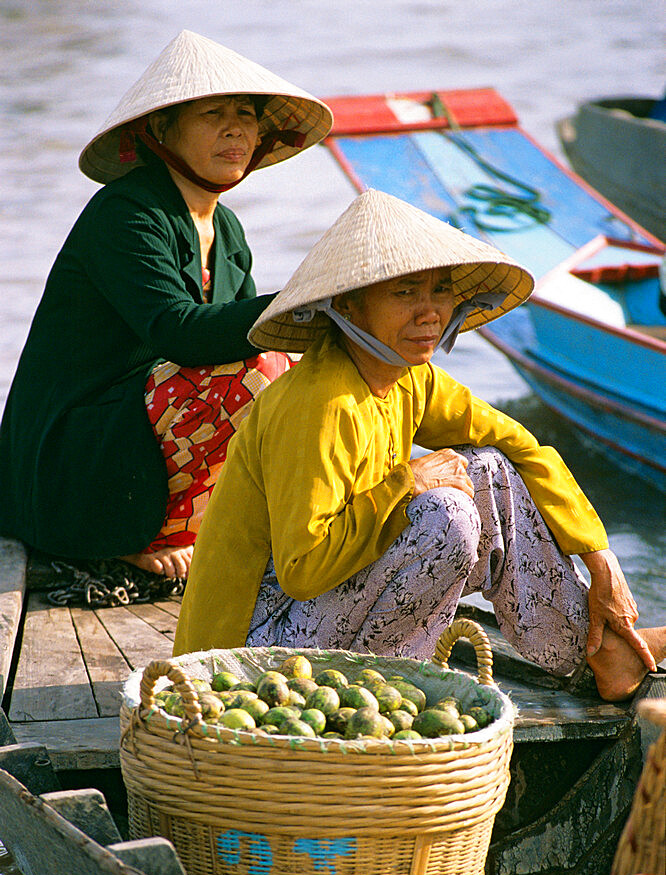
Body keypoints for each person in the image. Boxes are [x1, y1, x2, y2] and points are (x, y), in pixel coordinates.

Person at [174, 189, 665, 701]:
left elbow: (516, 443)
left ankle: (600, 652)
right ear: (349, 304)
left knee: (489, 469)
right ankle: (393, 683)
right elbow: (303, 570)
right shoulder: (320, 403)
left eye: (440, 291)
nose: (430, 313)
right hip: (249, 660)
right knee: (445, 515)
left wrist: (599, 557)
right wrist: (406, 482)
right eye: (405, 293)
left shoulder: (409, 375)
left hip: (319, 621)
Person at [0, 30, 332, 580]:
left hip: (135, 432)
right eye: (212, 113)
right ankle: (141, 534)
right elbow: (178, 333)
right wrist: (306, 301)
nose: (235, 128)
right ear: (161, 129)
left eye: (246, 113)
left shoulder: (226, 228)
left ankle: (218, 526)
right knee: (261, 373)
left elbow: (243, 337)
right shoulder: (126, 212)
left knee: (299, 372)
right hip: (75, 457)